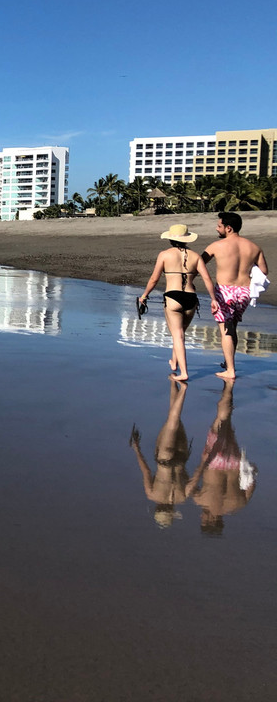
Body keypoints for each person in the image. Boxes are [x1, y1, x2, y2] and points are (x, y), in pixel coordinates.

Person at [139, 224, 215, 381]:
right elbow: (207, 279)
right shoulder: (196, 256)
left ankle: (184, 373)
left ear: (170, 239)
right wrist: (214, 299)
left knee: (178, 335)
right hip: (191, 298)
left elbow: (154, 278)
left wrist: (145, 295)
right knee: (179, 333)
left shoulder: (165, 254)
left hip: (173, 297)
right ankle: (174, 362)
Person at [201, 212, 269, 379]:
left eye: (219, 226)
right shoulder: (254, 247)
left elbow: (199, 264)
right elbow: (264, 271)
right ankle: (228, 362)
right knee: (232, 328)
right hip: (244, 292)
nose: (217, 229)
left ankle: (230, 370)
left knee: (225, 330)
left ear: (228, 228)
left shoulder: (216, 246)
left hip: (225, 291)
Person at [186, 379, 256, 535]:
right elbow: (190, 486)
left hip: (235, 463)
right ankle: (229, 384)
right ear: (212, 520)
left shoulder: (237, 505)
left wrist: (249, 468)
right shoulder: (201, 501)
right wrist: (202, 463)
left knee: (228, 427)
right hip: (214, 460)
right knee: (220, 420)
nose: (200, 516)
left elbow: (251, 484)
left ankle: (228, 393)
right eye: (203, 519)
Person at [129, 378, 192, 528]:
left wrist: (204, 460)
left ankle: (173, 383)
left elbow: (193, 479)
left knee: (174, 419)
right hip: (163, 459)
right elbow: (146, 471)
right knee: (172, 421)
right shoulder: (151, 495)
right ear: (157, 509)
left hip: (181, 459)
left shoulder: (181, 498)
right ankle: (183, 389)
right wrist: (137, 450)